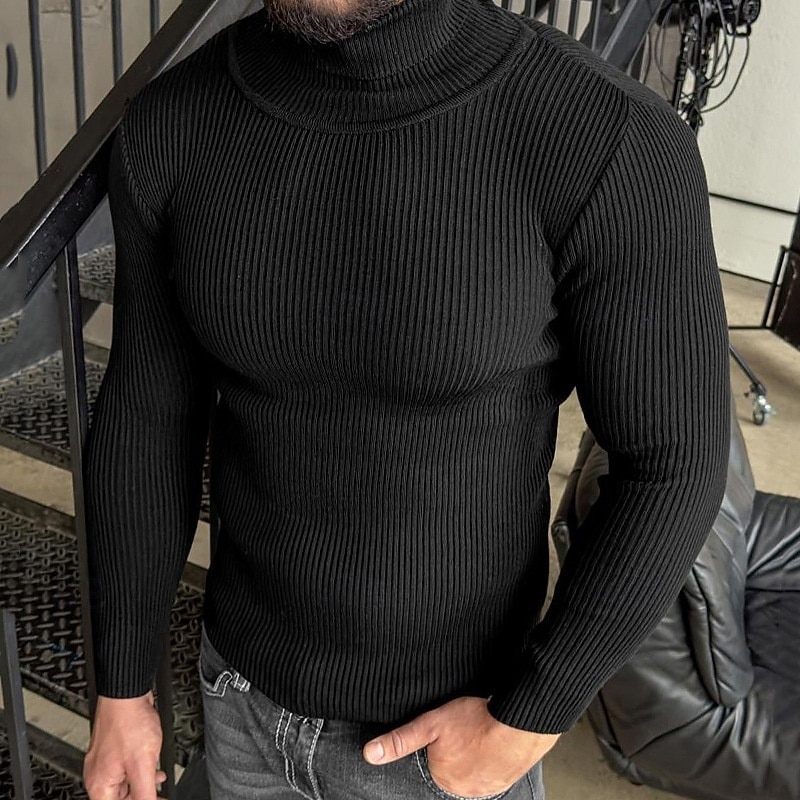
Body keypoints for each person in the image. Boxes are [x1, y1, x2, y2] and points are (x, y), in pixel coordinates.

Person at [81, 0, 730, 796]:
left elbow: (671, 461)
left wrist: (532, 714)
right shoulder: (174, 122)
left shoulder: (606, 136)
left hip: (447, 740)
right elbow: (147, 417)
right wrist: (123, 687)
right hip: (240, 701)